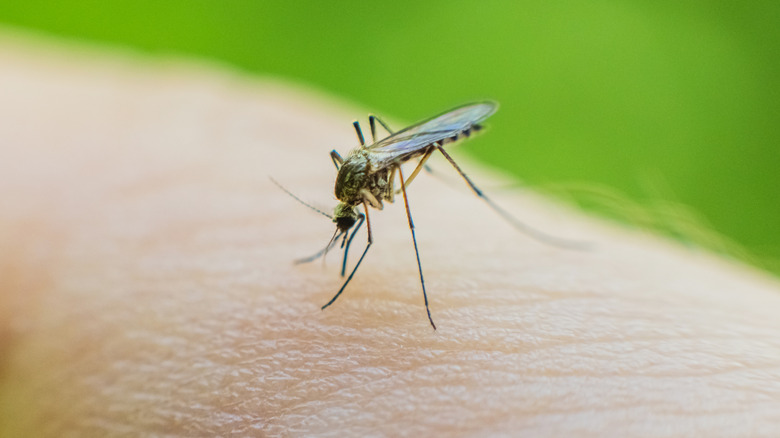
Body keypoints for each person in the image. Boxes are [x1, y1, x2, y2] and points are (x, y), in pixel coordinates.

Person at [2, 39, 780, 436]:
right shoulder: (348, 187)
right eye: (342, 222)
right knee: (373, 165)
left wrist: (365, 222)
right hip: (385, 153)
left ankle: (499, 209)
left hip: (411, 144)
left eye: (341, 221)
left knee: (400, 207)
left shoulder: (364, 188)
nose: (346, 222)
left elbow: (371, 222)